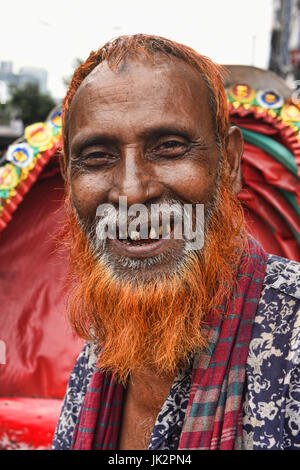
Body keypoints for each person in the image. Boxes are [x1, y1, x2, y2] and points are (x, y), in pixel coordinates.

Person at [52, 34, 300, 451]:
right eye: (97, 156)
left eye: (169, 148)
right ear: (68, 178)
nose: (131, 192)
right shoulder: (99, 353)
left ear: (231, 165)